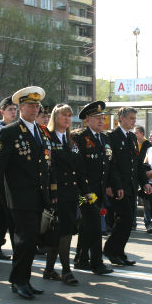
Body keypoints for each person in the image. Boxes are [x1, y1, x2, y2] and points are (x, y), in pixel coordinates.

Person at [0, 86, 56, 300]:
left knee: (31, 241)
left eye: (37, 105)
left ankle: (23, 279)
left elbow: (47, 165)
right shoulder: (10, 131)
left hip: (39, 195)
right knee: (25, 239)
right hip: (19, 195)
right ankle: (19, 281)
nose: (34, 109)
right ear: (20, 107)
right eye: (30, 105)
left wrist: (52, 191)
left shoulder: (42, 132)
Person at [43, 104, 88, 285]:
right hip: (56, 192)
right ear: (55, 117)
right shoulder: (48, 137)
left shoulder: (71, 140)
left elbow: (79, 168)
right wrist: (50, 192)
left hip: (72, 193)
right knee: (62, 231)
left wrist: (86, 194)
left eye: (70, 115)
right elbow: (48, 168)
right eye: (64, 115)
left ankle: (48, 269)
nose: (67, 118)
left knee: (63, 229)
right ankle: (66, 270)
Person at [104, 107, 152, 266]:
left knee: (128, 220)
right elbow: (112, 164)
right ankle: (111, 249)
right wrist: (115, 185)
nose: (133, 121)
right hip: (119, 187)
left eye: (134, 119)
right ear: (122, 118)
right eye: (131, 118)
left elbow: (137, 163)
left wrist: (144, 182)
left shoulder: (132, 137)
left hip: (131, 186)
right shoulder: (111, 137)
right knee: (124, 218)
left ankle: (119, 252)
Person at [73, 101, 114, 275]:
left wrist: (110, 185)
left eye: (102, 117)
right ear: (87, 120)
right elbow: (79, 167)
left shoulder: (104, 138)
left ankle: (81, 258)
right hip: (86, 191)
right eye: (97, 118)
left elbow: (108, 165)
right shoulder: (80, 137)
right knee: (95, 224)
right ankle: (97, 262)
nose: (101, 120)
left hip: (99, 190)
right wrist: (86, 191)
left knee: (86, 224)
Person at [0, 96, 18, 261]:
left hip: (13, 178)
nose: (13, 112)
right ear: (2, 112)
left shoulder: (16, 128)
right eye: (10, 110)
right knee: (3, 215)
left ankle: (7, 247)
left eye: (15, 109)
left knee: (8, 215)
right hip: (2, 178)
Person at [134, 126, 152, 231]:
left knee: (146, 201)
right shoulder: (134, 143)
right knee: (134, 200)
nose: (135, 135)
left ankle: (148, 222)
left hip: (143, 174)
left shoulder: (147, 145)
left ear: (142, 133)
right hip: (134, 174)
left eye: (136, 133)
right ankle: (133, 223)